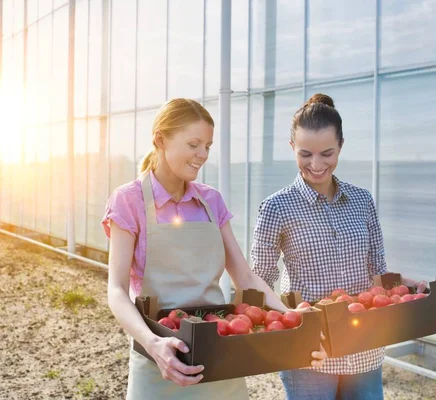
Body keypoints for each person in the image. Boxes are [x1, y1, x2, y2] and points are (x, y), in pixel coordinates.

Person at [103, 98, 326, 400]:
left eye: (207, 146)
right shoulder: (127, 201)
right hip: (161, 358)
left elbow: (244, 278)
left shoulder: (211, 201)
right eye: (194, 144)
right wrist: (153, 345)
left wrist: (290, 317)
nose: (202, 155)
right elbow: (116, 291)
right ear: (160, 139)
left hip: (219, 356)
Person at [251, 93, 427, 400]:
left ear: (341, 146)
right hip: (309, 352)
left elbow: (377, 273)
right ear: (292, 147)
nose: (316, 165)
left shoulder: (362, 201)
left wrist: (405, 285)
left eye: (327, 153)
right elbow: (259, 282)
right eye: (305, 154)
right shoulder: (276, 207)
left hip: (364, 347)